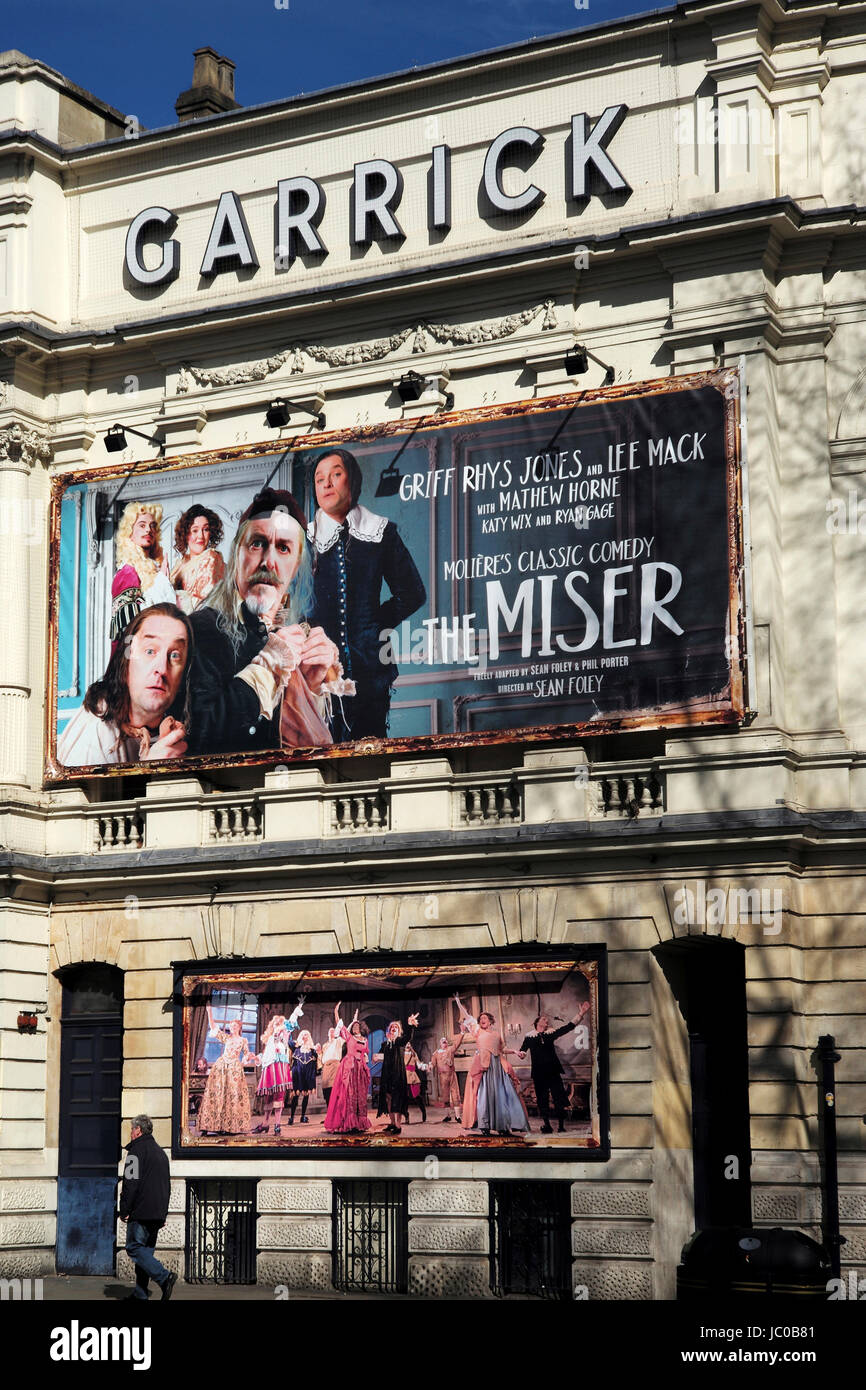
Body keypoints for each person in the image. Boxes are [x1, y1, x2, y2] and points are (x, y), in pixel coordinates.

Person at [186, 487, 346, 756]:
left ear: (295, 568)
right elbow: (202, 738)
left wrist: (314, 688)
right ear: (238, 553)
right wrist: (270, 664)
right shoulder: (199, 628)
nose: (268, 561)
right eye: (257, 543)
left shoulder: (302, 637)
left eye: (283, 548)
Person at [307, 448, 426, 741]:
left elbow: (412, 593)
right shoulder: (303, 540)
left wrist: (372, 625)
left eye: (336, 474)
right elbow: (291, 604)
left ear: (353, 481)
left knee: (368, 755)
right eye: (319, 478)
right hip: (319, 671)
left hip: (371, 669)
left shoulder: (380, 532)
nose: (327, 483)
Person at [57, 603, 191, 766]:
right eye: (150, 651)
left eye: (175, 655)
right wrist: (150, 771)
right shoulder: (97, 734)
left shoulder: (164, 729)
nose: (162, 669)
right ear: (127, 658)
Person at [119, 1114, 176, 1301]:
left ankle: (164, 1277)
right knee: (145, 1253)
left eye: (131, 1129)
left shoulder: (135, 1152)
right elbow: (166, 1186)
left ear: (138, 1130)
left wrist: (124, 1209)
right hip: (157, 1212)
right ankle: (140, 1294)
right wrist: (163, 1214)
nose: (130, 1133)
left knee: (134, 1248)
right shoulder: (161, 1153)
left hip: (141, 1211)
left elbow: (130, 1183)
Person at [454, 995, 526, 1135]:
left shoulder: (496, 1034)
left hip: (496, 1066)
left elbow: (501, 1050)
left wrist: (515, 1052)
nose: (482, 1021)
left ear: (491, 1021)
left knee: (501, 1097)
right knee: (484, 1097)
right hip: (483, 1067)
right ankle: (484, 1126)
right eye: (480, 1019)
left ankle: (503, 1127)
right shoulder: (477, 1031)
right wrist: (457, 1001)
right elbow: (466, 1015)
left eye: (484, 1019)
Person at [111, 502, 177, 652]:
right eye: (142, 525)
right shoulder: (127, 572)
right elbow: (129, 631)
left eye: (153, 525)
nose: (148, 529)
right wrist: (163, 584)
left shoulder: (155, 569)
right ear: (129, 532)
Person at [518, 1002, 590, 1134]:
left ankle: (561, 1125)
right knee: (542, 1099)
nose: (547, 1021)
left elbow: (568, 1027)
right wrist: (521, 1054)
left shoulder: (550, 1034)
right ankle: (547, 1125)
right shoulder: (530, 1037)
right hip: (539, 1073)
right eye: (544, 1019)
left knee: (558, 1098)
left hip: (553, 1071)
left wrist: (581, 1014)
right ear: (538, 1023)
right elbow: (523, 1050)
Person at [197, 1007, 256, 1136]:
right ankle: (212, 1125)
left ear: (239, 1027)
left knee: (232, 1096)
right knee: (218, 1094)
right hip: (222, 1066)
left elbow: (246, 1056)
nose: (233, 1027)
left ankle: (229, 1126)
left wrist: (250, 1056)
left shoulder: (243, 1040)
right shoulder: (226, 1038)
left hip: (234, 1068)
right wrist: (209, 1012)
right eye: (231, 1025)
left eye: (235, 1026)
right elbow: (213, 1027)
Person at [252, 997, 304, 1136]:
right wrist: (257, 1058)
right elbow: (265, 1055)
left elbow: (291, 1022)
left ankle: (277, 1125)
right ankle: (265, 1124)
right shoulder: (269, 1039)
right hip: (269, 1067)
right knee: (268, 1098)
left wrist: (298, 1007)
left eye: (279, 1021)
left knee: (279, 1096)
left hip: (280, 1066)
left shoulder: (284, 1033)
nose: (277, 1023)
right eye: (275, 1022)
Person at [323, 1002, 371, 1134]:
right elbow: (340, 1023)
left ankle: (358, 1122)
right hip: (349, 1067)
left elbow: (365, 1052)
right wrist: (336, 1011)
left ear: (361, 1027)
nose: (355, 1028)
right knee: (347, 1094)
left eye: (357, 1026)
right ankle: (346, 1123)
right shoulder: (348, 1037)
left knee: (359, 1095)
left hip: (360, 1068)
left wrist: (365, 1060)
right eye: (354, 1026)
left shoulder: (365, 1040)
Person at [171, 504, 226, 613]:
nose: (201, 536)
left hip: (198, 622)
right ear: (185, 534)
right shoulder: (180, 564)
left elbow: (205, 601)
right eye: (195, 530)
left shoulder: (211, 558)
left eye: (205, 529)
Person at [374, 1013, 419, 1134]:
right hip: (386, 1074)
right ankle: (392, 1123)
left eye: (396, 1027)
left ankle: (398, 1126)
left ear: (398, 1031)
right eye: (392, 1027)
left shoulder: (400, 1041)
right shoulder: (385, 1045)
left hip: (397, 1074)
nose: (393, 1028)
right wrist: (375, 1057)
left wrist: (410, 1025)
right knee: (388, 1098)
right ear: (388, 1030)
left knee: (397, 1099)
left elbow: (408, 1036)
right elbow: (380, 1056)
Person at [430, 1034, 463, 1123]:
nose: (445, 1042)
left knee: (455, 1094)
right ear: (440, 1043)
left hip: (452, 1074)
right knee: (445, 1096)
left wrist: (462, 1034)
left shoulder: (450, 1050)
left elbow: (457, 1043)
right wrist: (428, 1067)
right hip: (442, 1076)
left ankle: (457, 1116)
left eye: (446, 1041)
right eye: (443, 1041)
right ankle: (447, 1116)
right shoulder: (436, 1053)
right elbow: (432, 1063)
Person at [288, 1028, 317, 1124]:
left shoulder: (312, 1050)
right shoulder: (296, 1047)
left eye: (307, 1035)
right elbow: (289, 1042)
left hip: (308, 1074)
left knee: (306, 1096)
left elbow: (316, 1062)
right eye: (303, 1034)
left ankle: (303, 1116)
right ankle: (291, 1117)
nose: (305, 1036)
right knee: (295, 1096)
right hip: (298, 1074)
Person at [320, 1016, 345, 1109]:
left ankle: (335, 1114)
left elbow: (344, 1035)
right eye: (330, 1031)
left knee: (334, 1090)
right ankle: (329, 1115)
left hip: (335, 1067)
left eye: (333, 1031)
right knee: (326, 1091)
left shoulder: (338, 1041)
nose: (331, 1032)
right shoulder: (325, 1045)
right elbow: (321, 1059)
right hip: (326, 1068)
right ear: (327, 1034)